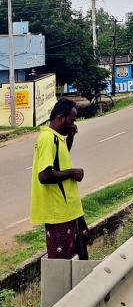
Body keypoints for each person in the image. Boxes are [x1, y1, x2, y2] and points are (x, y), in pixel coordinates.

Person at [30, 98, 89, 259]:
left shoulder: (57, 137)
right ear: (61, 118)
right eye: (72, 120)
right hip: (59, 215)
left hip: (70, 211)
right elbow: (44, 175)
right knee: (62, 265)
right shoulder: (47, 139)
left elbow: (60, 161)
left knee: (78, 261)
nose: (73, 124)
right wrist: (72, 173)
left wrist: (71, 136)